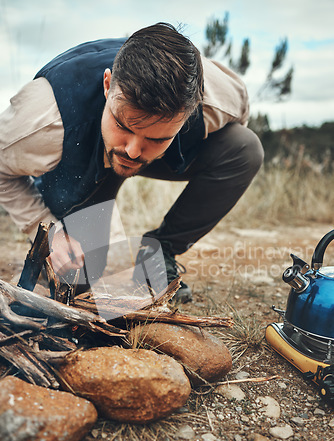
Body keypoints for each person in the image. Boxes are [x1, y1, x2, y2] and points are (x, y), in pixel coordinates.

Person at [0, 22, 263, 303]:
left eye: (156, 137)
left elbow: (237, 126)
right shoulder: (43, 122)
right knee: (75, 281)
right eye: (123, 125)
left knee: (244, 148)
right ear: (107, 84)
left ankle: (160, 251)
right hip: (79, 153)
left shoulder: (218, 101)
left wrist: (159, 143)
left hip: (154, 146)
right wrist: (49, 230)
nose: (134, 151)